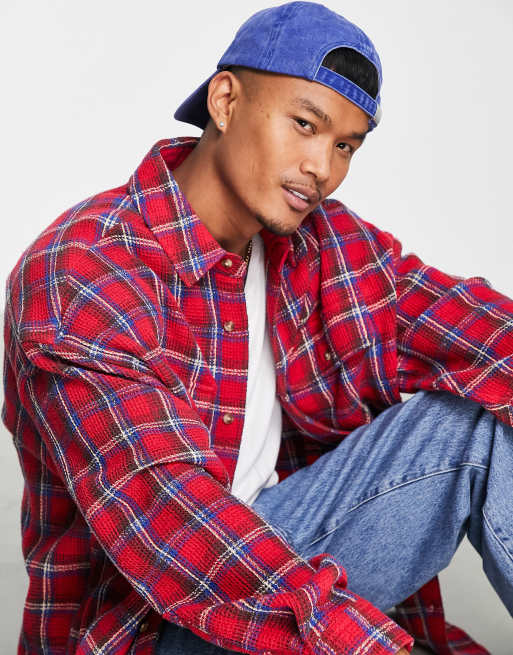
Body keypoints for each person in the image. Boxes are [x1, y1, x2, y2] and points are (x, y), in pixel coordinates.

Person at [2, 2, 512, 654]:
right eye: (305, 124)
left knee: (476, 418)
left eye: (344, 146)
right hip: (156, 620)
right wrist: (366, 643)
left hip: (280, 574)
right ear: (225, 101)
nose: (322, 168)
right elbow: (174, 522)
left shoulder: (320, 246)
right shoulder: (84, 272)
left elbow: (475, 328)